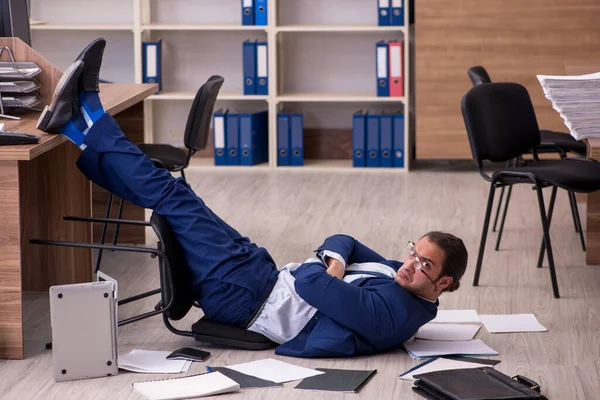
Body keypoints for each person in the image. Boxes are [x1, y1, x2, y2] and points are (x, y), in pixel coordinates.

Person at [37, 41, 468, 358]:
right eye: (414, 251)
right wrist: (335, 262)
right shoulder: (402, 279)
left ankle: (89, 114)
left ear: (444, 284)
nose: (409, 263)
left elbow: (309, 282)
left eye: (424, 265)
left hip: (245, 298)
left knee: (170, 194)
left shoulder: (393, 313)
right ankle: (76, 128)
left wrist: (327, 267)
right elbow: (346, 240)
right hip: (259, 273)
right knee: (176, 193)